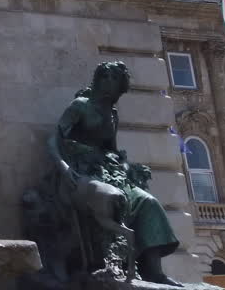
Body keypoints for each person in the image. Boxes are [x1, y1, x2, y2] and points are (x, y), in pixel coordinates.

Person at [48, 61, 182, 286]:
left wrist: (126, 166)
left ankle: (154, 271)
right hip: (80, 171)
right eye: (105, 77)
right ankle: (112, 265)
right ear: (97, 80)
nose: (109, 83)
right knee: (109, 199)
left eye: (115, 79)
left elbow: (111, 150)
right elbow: (54, 140)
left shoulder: (112, 115)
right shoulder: (80, 106)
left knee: (148, 202)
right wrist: (63, 167)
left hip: (108, 170)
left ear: (122, 85)